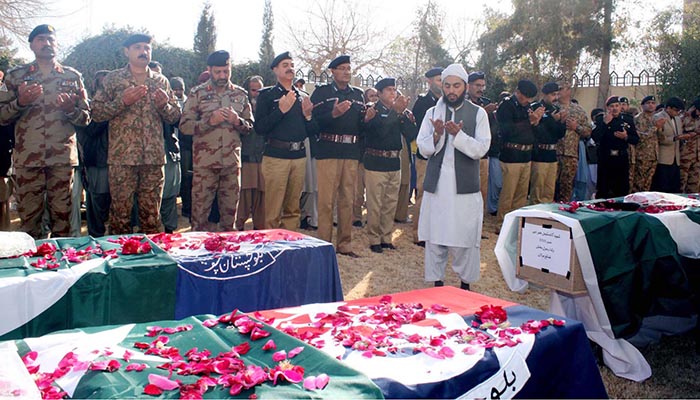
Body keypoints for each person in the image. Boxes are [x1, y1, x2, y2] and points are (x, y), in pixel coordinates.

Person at [0, 24, 90, 238]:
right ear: (31, 45)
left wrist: (70, 110)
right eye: (41, 39)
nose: (46, 43)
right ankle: (33, 269)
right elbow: (2, 117)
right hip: (28, 159)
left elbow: (86, 118)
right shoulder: (15, 77)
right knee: (29, 223)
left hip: (62, 160)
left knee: (63, 221)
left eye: (51, 39)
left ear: (57, 44)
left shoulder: (72, 76)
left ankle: (62, 268)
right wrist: (20, 102)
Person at [91, 33, 181, 234]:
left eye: (147, 48)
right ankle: (119, 261)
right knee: (120, 216)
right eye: (138, 47)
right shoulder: (113, 80)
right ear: (126, 51)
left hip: (153, 159)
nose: (143, 52)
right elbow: (96, 113)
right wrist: (122, 102)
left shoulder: (161, 81)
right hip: (122, 159)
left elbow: (175, 116)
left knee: (152, 217)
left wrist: (163, 106)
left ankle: (152, 261)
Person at [416, 63, 491, 290]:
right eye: (447, 85)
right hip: (438, 188)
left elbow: (482, 149)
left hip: (464, 190)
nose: (451, 90)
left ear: (465, 87)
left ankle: (465, 285)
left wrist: (459, 136)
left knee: (464, 238)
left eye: (456, 86)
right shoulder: (432, 113)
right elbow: (422, 147)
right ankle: (437, 283)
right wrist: (438, 136)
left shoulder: (478, 114)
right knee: (436, 237)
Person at [180, 50, 253, 232]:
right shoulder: (197, 94)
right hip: (205, 166)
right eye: (218, 72)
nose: (222, 76)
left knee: (229, 221)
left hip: (231, 165)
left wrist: (238, 121)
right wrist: (209, 121)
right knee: (199, 219)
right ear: (209, 70)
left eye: (226, 71)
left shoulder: (240, 94)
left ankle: (229, 257)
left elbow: (250, 127)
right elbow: (185, 126)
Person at [254, 52, 318, 230]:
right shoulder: (267, 95)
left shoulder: (302, 96)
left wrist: (308, 116)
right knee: (272, 209)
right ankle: (270, 247)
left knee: (293, 208)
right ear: (275, 70)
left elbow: (312, 131)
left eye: (291, 64)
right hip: (276, 157)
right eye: (284, 65)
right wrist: (280, 110)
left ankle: (289, 245)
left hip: (298, 157)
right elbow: (259, 128)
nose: (290, 67)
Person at [310, 55, 366, 257]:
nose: (346, 72)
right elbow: (312, 122)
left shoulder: (358, 94)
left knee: (347, 201)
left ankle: (345, 244)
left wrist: (367, 119)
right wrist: (333, 114)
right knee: (326, 201)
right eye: (341, 68)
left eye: (348, 68)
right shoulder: (322, 93)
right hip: (328, 151)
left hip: (350, 152)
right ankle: (324, 245)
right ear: (332, 71)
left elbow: (362, 127)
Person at [363, 78, 417, 253]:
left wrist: (401, 115)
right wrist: (395, 112)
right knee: (375, 203)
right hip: (376, 162)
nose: (393, 93)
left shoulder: (400, 112)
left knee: (390, 203)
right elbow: (380, 131)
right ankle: (374, 238)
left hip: (394, 162)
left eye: (394, 89)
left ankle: (386, 237)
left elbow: (410, 134)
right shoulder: (372, 110)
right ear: (379, 93)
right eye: (388, 90)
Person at [496, 80, 541, 226]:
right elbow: (507, 131)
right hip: (511, 155)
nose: (527, 101)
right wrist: (529, 121)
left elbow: (532, 131)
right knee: (508, 193)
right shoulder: (507, 106)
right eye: (525, 97)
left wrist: (535, 122)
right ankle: (502, 223)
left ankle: (516, 223)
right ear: (518, 92)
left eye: (530, 98)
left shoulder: (527, 107)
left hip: (526, 155)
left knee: (521, 195)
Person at [410, 67, 442, 247]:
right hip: (426, 156)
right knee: (423, 193)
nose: (442, 83)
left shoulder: (447, 102)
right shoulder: (423, 103)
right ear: (429, 82)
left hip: (443, 156)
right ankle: (419, 233)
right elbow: (419, 132)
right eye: (438, 80)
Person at [148, 62, 181, 234]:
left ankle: (170, 231)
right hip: (142, 156)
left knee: (169, 195)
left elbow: (178, 120)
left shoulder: (167, 94)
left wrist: (164, 106)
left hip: (167, 152)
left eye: (158, 75)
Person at [80, 70, 111, 236]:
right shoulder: (89, 105)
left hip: (119, 159)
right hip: (98, 160)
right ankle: (96, 236)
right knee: (97, 201)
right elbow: (89, 130)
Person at [592, 96, 639, 199]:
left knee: (622, 189)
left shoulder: (627, 119)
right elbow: (595, 137)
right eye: (612, 106)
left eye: (617, 105)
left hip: (621, 158)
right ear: (607, 108)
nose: (615, 108)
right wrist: (605, 123)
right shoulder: (601, 119)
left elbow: (636, 139)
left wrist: (626, 137)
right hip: (606, 158)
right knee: (603, 189)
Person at [236, 75, 266, 230]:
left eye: (260, 90)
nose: (257, 94)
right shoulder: (239, 110)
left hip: (263, 160)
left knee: (261, 201)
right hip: (245, 160)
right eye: (253, 90)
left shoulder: (267, 111)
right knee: (243, 200)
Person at [529, 82, 566, 204]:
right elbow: (538, 131)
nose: (555, 97)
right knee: (538, 189)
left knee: (549, 190)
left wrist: (561, 122)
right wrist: (551, 120)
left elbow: (560, 134)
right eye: (552, 94)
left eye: (557, 94)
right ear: (544, 94)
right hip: (539, 153)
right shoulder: (536, 107)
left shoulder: (556, 109)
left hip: (552, 154)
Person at [555, 81, 591, 202]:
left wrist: (576, 128)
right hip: (553, 153)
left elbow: (588, 131)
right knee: (550, 186)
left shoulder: (578, 110)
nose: (558, 92)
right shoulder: (553, 108)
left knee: (567, 186)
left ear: (568, 91)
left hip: (571, 154)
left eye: (561, 89)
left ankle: (563, 212)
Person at [353, 87, 378, 227]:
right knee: (358, 190)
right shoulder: (361, 112)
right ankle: (356, 217)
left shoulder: (381, 112)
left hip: (374, 157)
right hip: (361, 155)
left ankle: (371, 217)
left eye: (376, 95)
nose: (373, 98)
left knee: (372, 191)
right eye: (371, 95)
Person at [651, 97, 685, 193]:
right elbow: (658, 138)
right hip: (663, 158)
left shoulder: (677, 119)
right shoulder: (658, 117)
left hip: (676, 158)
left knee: (674, 187)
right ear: (668, 108)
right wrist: (675, 138)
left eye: (679, 111)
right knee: (662, 187)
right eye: (676, 110)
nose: (677, 112)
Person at [631, 95, 659, 193]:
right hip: (642, 155)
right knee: (639, 184)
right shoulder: (638, 119)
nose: (651, 105)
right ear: (642, 106)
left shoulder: (655, 118)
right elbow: (640, 137)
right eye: (648, 103)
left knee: (648, 184)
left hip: (654, 155)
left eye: (653, 103)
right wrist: (655, 127)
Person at [680, 97, 700, 193]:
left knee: (695, 183)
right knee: (681, 181)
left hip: (697, 156)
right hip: (685, 155)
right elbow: (676, 134)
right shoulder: (684, 119)